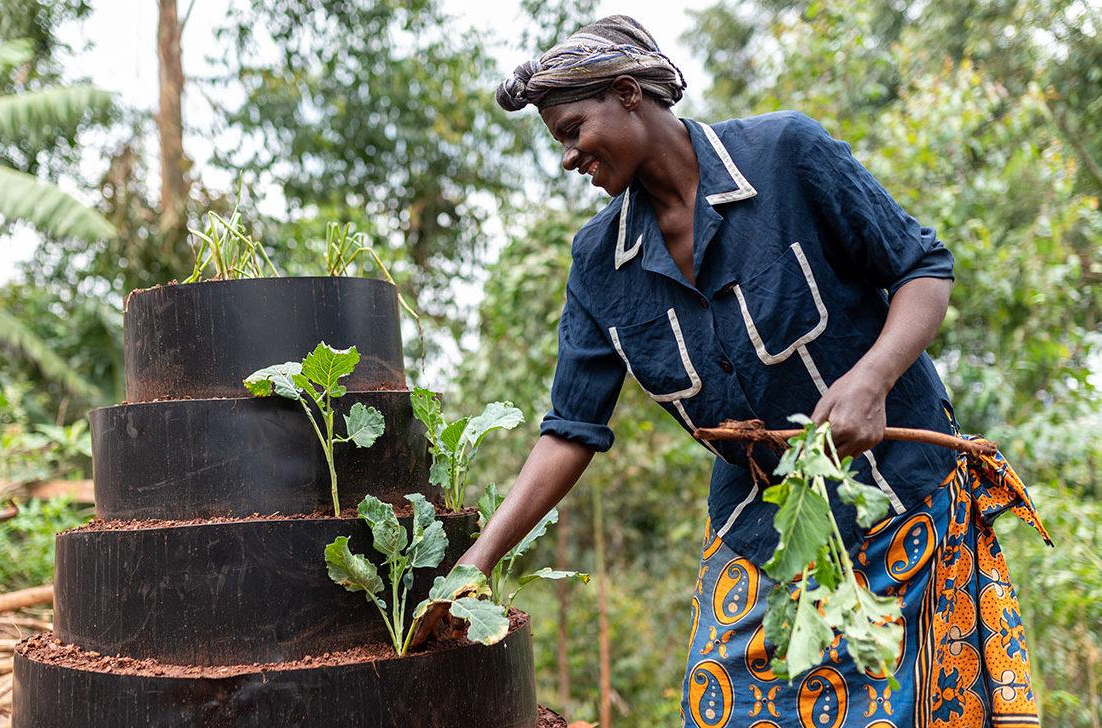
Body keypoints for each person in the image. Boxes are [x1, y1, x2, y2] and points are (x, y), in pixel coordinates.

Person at [414, 14, 1051, 728]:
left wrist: (872, 378)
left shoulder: (785, 156)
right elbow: (570, 430)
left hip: (903, 504)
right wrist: (473, 568)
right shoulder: (599, 264)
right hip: (763, 529)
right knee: (727, 706)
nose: (568, 157)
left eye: (571, 131)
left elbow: (922, 268)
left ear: (628, 93)